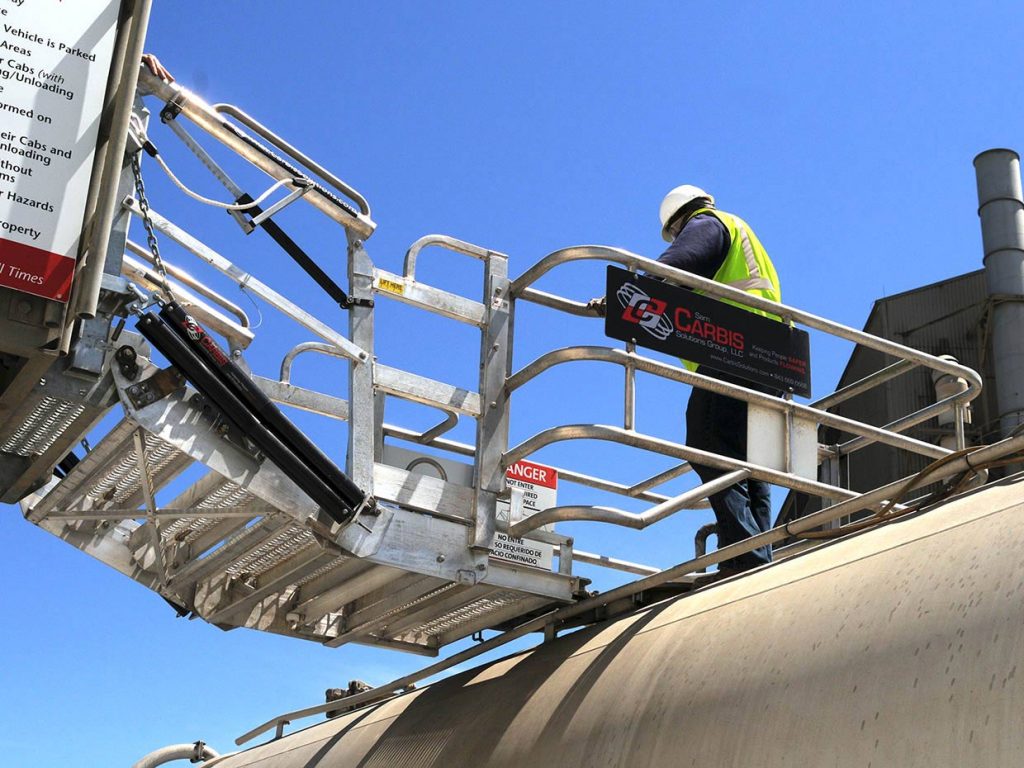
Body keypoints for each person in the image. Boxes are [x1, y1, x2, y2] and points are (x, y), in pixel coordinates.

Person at [591, 185, 782, 577]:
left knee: (705, 441)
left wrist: (622, 298)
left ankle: (745, 554)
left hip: (735, 349)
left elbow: (674, 267)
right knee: (752, 463)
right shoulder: (741, 232)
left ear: (679, 221)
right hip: (774, 358)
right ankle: (758, 551)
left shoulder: (707, 225)